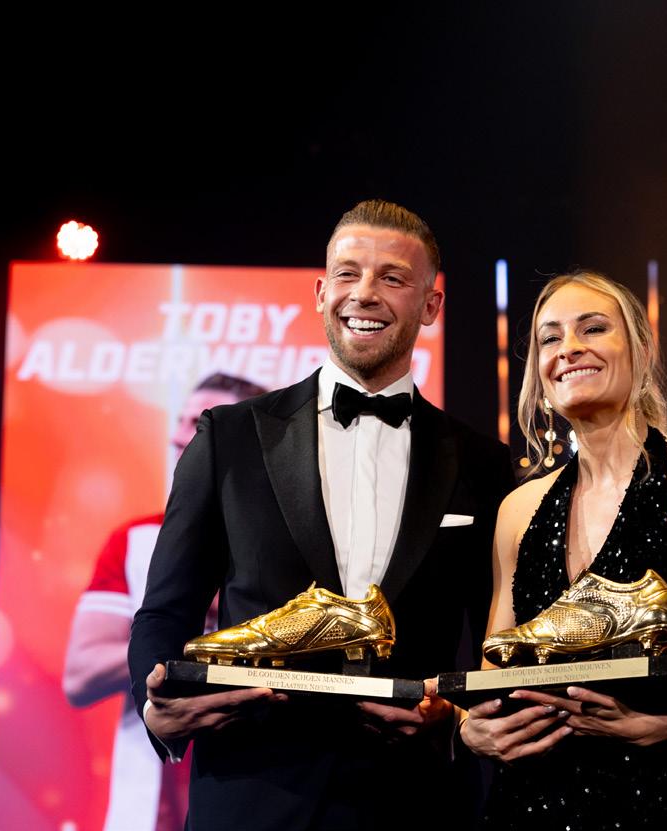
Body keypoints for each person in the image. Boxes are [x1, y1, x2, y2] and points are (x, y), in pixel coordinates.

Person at [128, 200, 516, 831]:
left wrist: (458, 721)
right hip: (252, 795)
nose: (364, 294)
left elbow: (497, 637)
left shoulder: (482, 463)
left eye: (392, 278)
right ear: (320, 292)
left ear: (431, 306)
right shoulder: (229, 437)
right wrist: (156, 708)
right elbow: (166, 609)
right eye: (347, 274)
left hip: (416, 804)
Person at [460, 271, 667, 829]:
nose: (569, 348)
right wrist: (472, 727)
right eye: (550, 337)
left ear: (641, 349)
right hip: (524, 807)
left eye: (593, 329)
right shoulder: (518, 509)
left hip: (655, 803)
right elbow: (495, 669)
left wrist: (663, 725)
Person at [63, 373, 266, 831]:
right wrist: (182, 625)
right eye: (180, 420)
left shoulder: (290, 547)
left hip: (262, 792)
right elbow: (80, 673)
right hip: (149, 809)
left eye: (198, 423)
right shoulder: (138, 540)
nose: (178, 435)